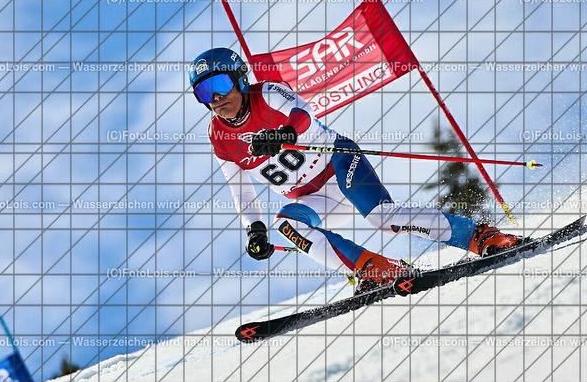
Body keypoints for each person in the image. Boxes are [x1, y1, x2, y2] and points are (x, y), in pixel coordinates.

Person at [188, 47, 522, 294]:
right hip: (314, 199)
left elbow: (303, 113)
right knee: (286, 224)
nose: (215, 97)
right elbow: (240, 187)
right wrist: (254, 229)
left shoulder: (266, 93)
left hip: (337, 162)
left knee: (383, 219)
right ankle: (374, 269)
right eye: (203, 91)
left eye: (220, 84)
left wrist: (285, 134)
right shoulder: (218, 136)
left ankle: (480, 237)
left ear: (240, 79)